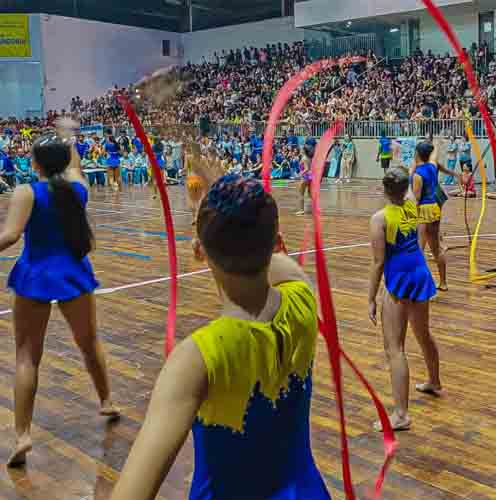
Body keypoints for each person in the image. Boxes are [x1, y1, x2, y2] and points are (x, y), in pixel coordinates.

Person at [112, 175, 330, 499]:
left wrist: (214, 215)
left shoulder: (197, 358)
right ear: (278, 241)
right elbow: (267, 252)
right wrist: (232, 207)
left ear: (199, 251)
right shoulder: (302, 297)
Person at [2, 129, 118, 467]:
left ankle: (23, 435)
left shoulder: (27, 192)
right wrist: (68, 136)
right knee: (89, 342)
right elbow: (75, 167)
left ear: (34, 162)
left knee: (26, 357)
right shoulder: (78, 191)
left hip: (35, 275)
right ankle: (107, 399)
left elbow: (10, 234)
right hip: (73, 273)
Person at [367, 167, 441, 431]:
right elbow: (407, 188)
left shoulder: (380, 219)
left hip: (399, 279)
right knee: (423, 334)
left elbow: (378, 263)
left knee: (394, 348)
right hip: (420, 273)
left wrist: (371, 298)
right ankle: (434, 381)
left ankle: (401, 414)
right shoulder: (412, 205)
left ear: (384, 189)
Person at [411, 141, 458, 292]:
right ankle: (443, 282)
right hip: (434, 208)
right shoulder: (432, 166)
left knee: (419, 249)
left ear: (417, 153)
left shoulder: (418, 174)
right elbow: (434, 156)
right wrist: (436, 145)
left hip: (424, 210)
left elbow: (417, 198)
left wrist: (411, 215)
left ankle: (421, 283)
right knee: (436, 249)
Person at [295, 143, 315, 216]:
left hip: (305, 177)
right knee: (310, 194)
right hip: (310, 177)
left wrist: (300, 174)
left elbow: (306, 169)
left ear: (304, 151)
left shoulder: (304, 158)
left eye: (301, 149)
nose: (300, 150)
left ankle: (301, 210)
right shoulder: (309, 158)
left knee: (301, 194)